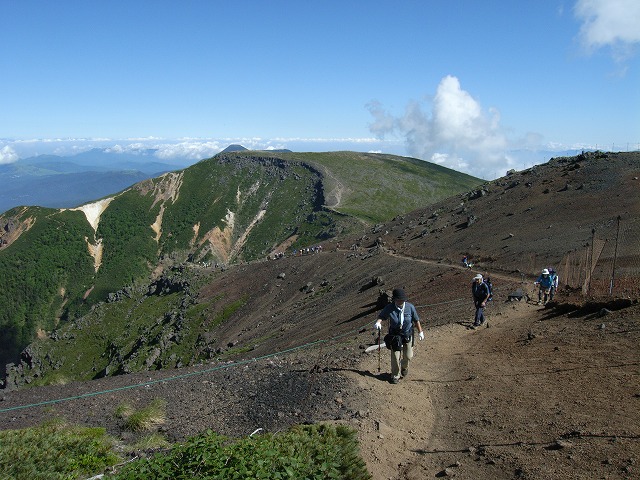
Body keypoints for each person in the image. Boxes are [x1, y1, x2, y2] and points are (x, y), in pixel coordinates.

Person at [374, 288, 424, 384]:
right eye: (399, 300)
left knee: (408, 355)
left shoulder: (410, 307)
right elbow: (382, 316)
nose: (401, 301)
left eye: (402, 300)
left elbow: (416, 320)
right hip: (395, 336)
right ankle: (395, 376)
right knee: (395, 357)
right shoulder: (390, 307)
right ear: (394, 300)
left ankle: (404, 367)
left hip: (407, 334)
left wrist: (420, 331)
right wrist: (378, 322)